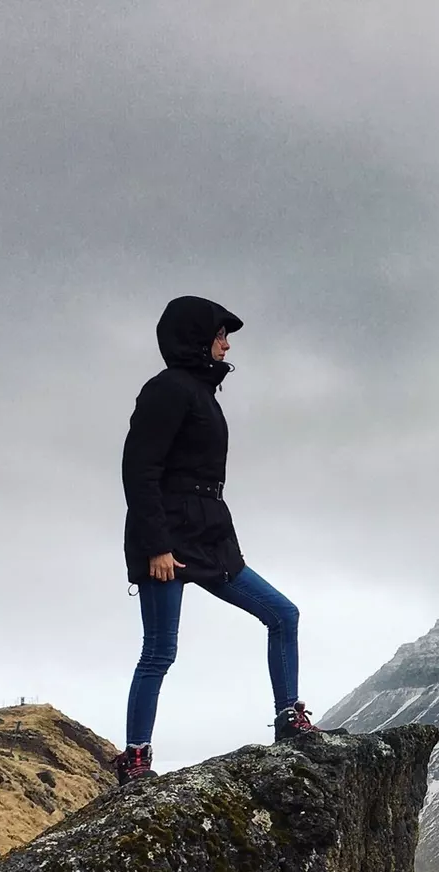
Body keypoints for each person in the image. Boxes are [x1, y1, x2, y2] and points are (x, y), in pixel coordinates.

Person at [113, 295, 313, 785]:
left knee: (282, 613)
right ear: (195, 337)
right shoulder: (165, 390)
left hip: (210, 533)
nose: (226, 344)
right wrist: (156, 545)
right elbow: (139, 471)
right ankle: (136, 757)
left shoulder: (202, 392)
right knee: (160, 649)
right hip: (167, 535)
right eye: (220, 334)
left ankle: (289, 719)